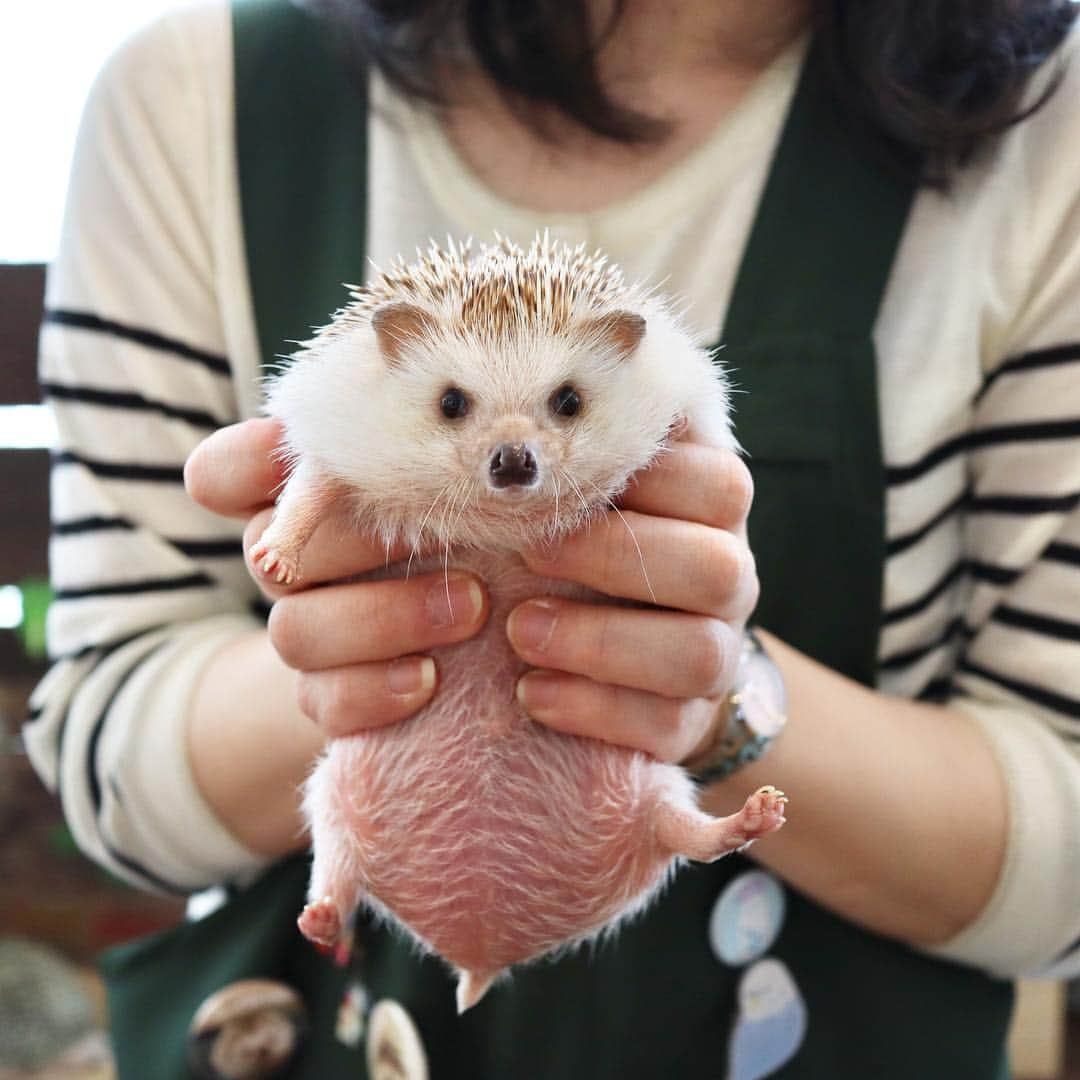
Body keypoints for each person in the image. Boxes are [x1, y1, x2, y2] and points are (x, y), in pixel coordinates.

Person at [25, 0, 1080, 1075]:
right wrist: (353, 644)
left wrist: (715, 696)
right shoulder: (192, 100)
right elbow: (105, 767)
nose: (514, 456)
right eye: (456, 411)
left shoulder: (1049, 128)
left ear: (625, 370)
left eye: (567, 410)